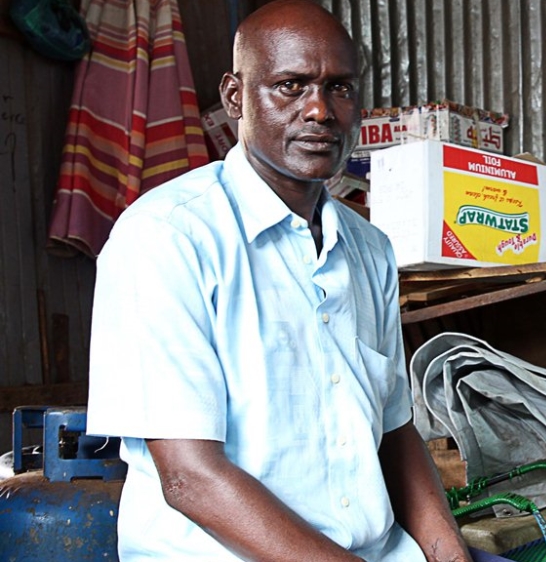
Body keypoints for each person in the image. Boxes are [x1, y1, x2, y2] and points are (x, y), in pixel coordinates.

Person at [85, 2, 478, 560]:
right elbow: (190, 479)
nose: (319, 110)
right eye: (290, 86)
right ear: (234, 97)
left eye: (339, 88)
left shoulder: (370, 250)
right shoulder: (167, 237)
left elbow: (394, 430)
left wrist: (448, 552)